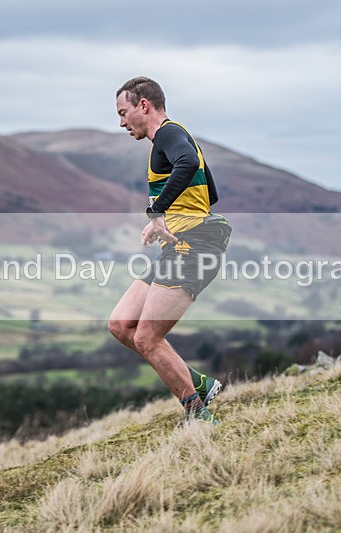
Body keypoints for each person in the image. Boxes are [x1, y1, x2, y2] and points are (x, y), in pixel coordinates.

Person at [108, 76, 231, 426]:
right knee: (120, 324)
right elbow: (210, 193)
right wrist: (169, 217)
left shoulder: (167, 133)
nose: (121, 123)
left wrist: (156, 211)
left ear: (143, 105)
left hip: (196, 246)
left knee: (147, 336)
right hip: (180, 245)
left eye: (123, 112)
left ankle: (198, 416)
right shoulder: (165, 140)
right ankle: (197, 383)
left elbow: (189, 163)